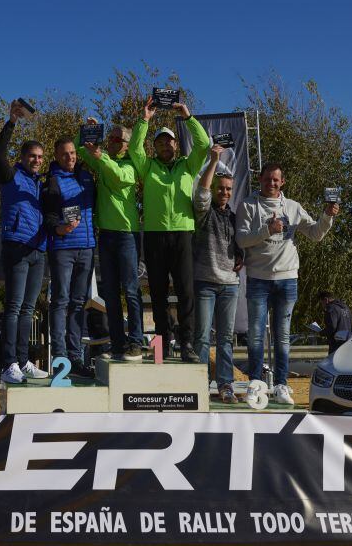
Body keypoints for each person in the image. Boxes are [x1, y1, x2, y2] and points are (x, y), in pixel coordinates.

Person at [236, 163, 340, 405]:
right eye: (267, 179)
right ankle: (255, 383)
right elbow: (241, 239)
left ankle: (282, 385)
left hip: (287, 279)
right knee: (255, 335)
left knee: (282, 336)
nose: (271, 183)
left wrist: (327, 216)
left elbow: (315, 234)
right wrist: (267, 230)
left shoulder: (292, 207)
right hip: (258, 279)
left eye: (275, 180)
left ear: (282, 182)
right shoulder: (248, 205)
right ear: (259, 180)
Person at [129, 95, 210, 362]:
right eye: (160, 142)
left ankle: (186, 344)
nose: (165, 145)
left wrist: (187, 116)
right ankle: (161, 347)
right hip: (154, 235)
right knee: (158, 292)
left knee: (186, 291)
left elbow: (204, 144)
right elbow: (134, 150)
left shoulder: (188, 165)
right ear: (155, 147)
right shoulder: (148, 166)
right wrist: (144, 119)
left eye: (169, 141)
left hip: (183, 234)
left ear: (176, 145)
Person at [0, 100, 50, 384]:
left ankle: (24, 361)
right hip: (16, 245)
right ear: (23, 156)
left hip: (40, 249)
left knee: (29, 309)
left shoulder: (42, 184)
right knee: (13, 307)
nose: (36, 160)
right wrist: (11, 121)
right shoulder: (10, 175)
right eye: (32, 156)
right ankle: (8, 364)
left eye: (40, 156)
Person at [78, 120, 144, 361]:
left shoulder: (131, 165)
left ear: (127, 145)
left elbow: (117, 177)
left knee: (131, 290)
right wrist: (86, 131)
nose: (113, 142)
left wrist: (101, 156)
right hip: (105, 234)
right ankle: (117, 343)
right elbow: (79, 148)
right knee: (111, 294)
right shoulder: (102, 158)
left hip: (127, 234)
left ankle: (136, 341)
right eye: (111, 139)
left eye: (118, 139)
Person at [192, 144, 243, 402]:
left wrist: (242, 256)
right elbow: (201, 192)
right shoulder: (203, 212)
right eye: (220, 188)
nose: (224, 192)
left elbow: (242, 245)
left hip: (230, 286)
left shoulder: (235, 219)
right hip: (204, 283)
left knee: (225, 339)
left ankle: (225, 385)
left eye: (228, 190)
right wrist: (213, 161)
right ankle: (200, 385)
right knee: (201, 338)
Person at [43, 138, 96, 375]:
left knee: (78, 303)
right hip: (63, 248)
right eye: (65, 154)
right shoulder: (52, 180)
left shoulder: (86, 177)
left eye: (73, 153)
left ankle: (76, 357)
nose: (70, 157)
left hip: (87, 247)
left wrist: (90, 134)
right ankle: (60, 357)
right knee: (60, 301)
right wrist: (58, 229)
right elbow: (48, 214)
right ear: (56, 155)